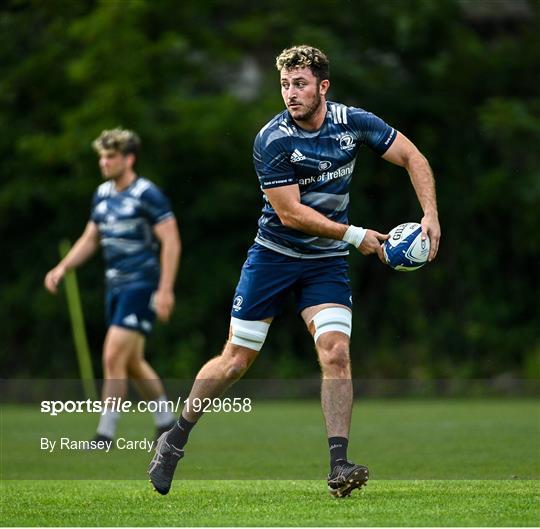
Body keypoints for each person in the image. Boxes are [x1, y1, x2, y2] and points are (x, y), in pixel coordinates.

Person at [148, 45, 440, 497]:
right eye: (284, 84)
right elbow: (291, 214)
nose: (290, 93)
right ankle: (176, 437)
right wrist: (355, 235)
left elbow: (413, 157)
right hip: (273, 258)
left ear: (323, 86)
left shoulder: (353, 123)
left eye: (299, 83)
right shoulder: (274, 139)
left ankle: (339, 466)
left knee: (336, 352)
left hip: (324, 264)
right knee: (236, 360)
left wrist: (430, 216)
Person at [45, 128, 181, 445]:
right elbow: (90, 238)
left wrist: (165, 288)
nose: (104, 162)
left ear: (129, 158)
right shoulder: (102, 195)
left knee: (111, 357)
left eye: (111, 156)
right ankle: (166, 422)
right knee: (131, 362)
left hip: (141, 284)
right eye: (102, 157)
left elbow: (171, 241)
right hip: (114, 287)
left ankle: (104, 434)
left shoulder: (147, 194)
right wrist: (63, 267)